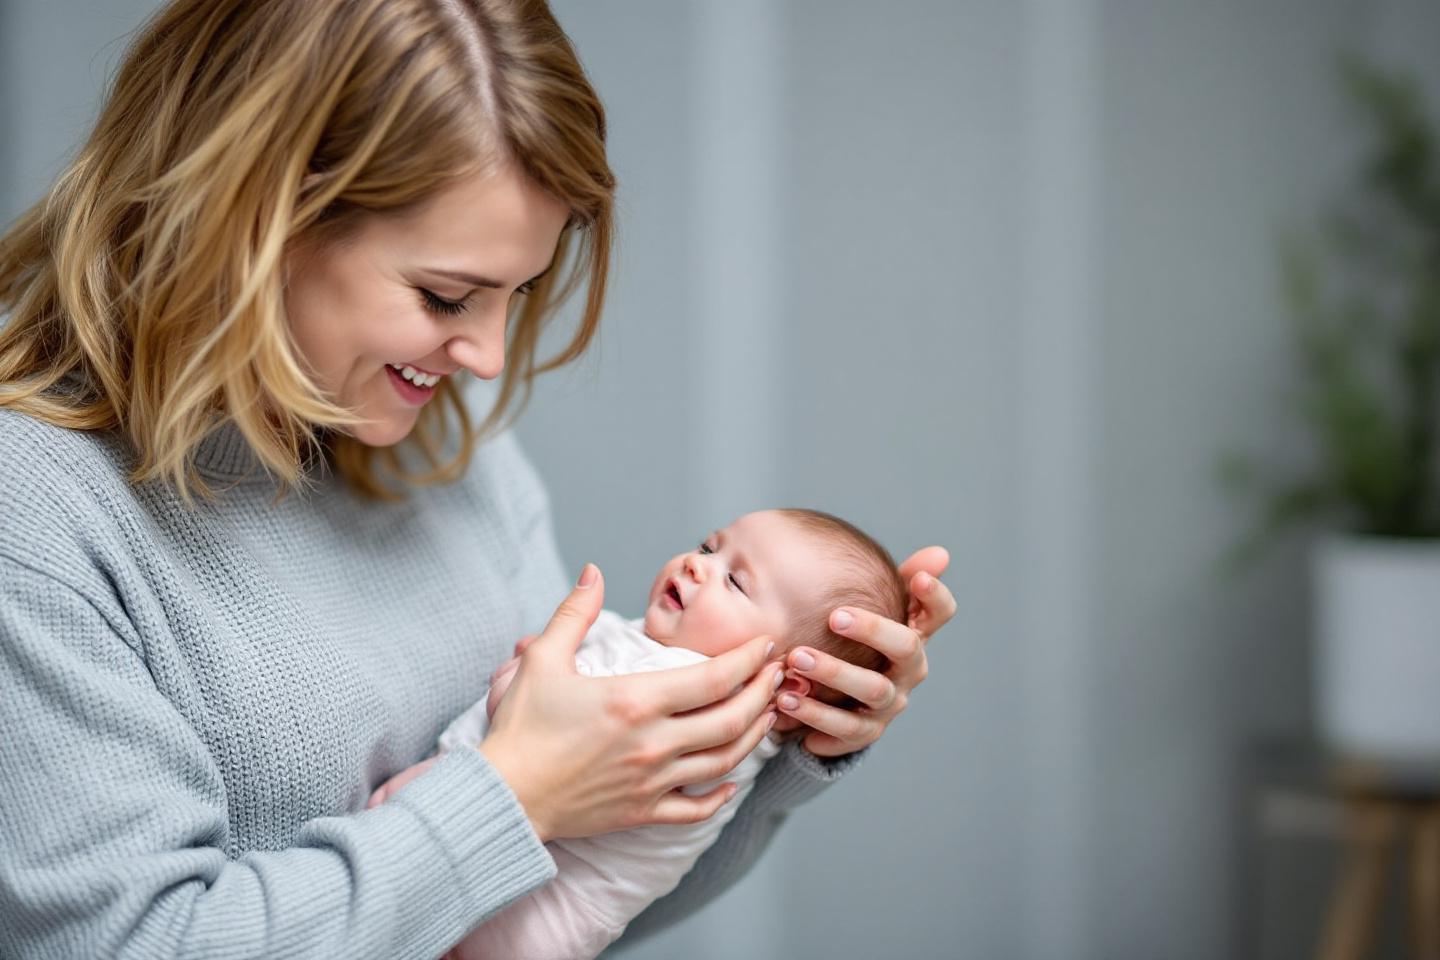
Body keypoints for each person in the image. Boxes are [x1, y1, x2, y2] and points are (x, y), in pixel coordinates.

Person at [0, 1, 957, 958]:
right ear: (249, 216)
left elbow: (584, 904)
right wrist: (516, 792)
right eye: (447, 295)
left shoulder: (449, 452)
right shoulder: (34, 511)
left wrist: (781, 743)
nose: (490, 359)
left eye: (518, 294)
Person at [368, 508, 907, 959]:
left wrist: (521, 675)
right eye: (709, 547)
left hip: (531, 908)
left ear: (789, 682)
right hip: (538, 902)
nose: (698, 565)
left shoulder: (696, 705)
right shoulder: (696, 685)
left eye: (736, 581)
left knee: (390, 818)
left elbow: (531, 721)